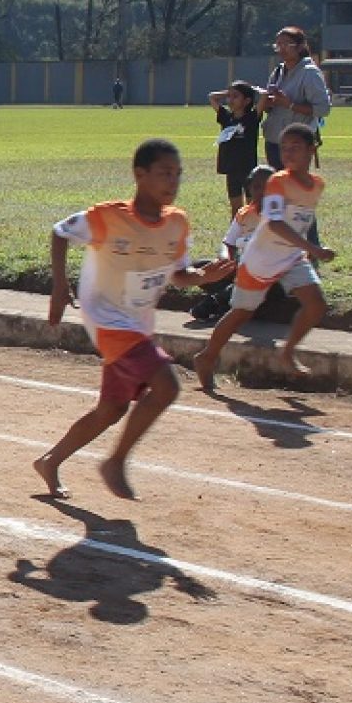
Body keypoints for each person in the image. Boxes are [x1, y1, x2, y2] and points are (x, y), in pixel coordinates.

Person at [34, 138, 232, 500]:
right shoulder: (109, 216)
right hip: (107, 319)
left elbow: (178, 273)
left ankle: (50, 461)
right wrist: (60, 287)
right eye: (164, 173)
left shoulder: (177, 223)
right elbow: (61, 232)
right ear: (140, 175)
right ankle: (115, 462)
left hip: (137, 323)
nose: (173, 182)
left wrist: (204, 277)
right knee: (167, 386)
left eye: (178, 174)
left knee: (111, 409)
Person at [192, 124, 333, 390]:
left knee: (316, 303)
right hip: (260, 260)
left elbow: (302, 220)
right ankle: (206, 357)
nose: (288, 153)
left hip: (292, 257)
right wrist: (313, 249)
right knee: (241, 313)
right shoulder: (277, 182)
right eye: (284, 148)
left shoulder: (317, 185)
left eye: (296, 147)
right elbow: (276, 224)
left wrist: (305, 250)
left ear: (311, 150)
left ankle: (288, 352)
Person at [190, 165, 275, 323]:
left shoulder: (281, 216)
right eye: (257, 187)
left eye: (268, 187)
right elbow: (228, 243)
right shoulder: (244, 213)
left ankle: (219, 302)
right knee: (198, 268)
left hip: (268, 274)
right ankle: (231, 300)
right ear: (249, 188)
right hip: (240, 268)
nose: (262, 192)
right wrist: (225, 260)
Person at [261, 27, 331, 172]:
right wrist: (267, 102)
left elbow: (323, 109)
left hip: (296, 144)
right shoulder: (278, 71)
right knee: (277, 188)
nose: (281, 49)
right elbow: (272, 105)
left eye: (286, 44)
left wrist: (290, 104)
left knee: (293, 188)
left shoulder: (310, 73)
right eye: (278, 45)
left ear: (300, 47)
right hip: (274, 139)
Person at [208, 80, 261, 212]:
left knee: (252, 208)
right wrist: (230, 92)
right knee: (236, 208)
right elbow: (212, 97)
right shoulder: (226, 117)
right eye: (229, 96)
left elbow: (264, 97)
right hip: (231, 168)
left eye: (235, 96)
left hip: (248, 168)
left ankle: (252, 232)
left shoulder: (252, 117)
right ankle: (236, 231)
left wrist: (252, 89)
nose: (230, 100)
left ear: (247, 101)